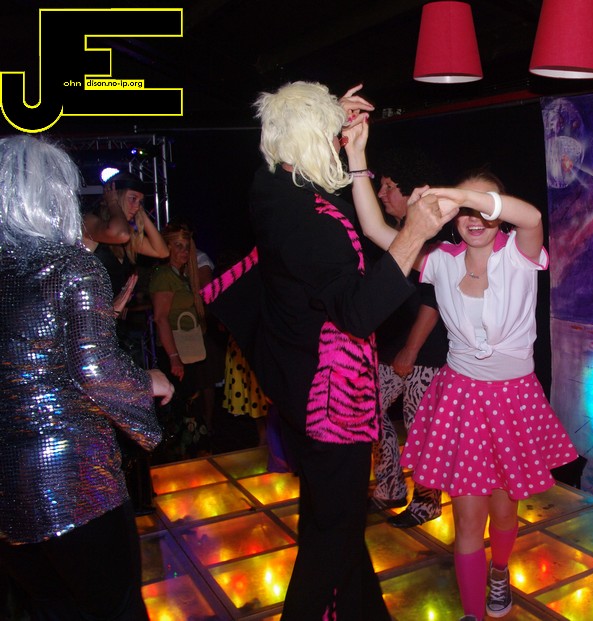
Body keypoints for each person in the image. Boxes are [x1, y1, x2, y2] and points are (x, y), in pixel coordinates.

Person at [203, 81, 455, 621]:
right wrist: (413, 233)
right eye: (327, 135)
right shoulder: (310, 221)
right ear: (310, 141)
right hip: (330, 402)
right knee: (331, 536)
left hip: (298, 385)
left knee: (335, 522)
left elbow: (294, 152)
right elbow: (360, 313)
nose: (335, 144)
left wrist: (328, 119)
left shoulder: (272, 186)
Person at [353, 168, 578, 621]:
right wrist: (358, 163)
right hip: (463, 401)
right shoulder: (441, 260)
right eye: (465, 210)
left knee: (505, 513)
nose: (474, 218)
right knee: (468, 521)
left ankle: (500, 572)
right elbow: (375, 229)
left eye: (483, 207)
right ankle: (473, 613)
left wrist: (461, 196)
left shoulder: (520, 252)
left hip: (513, 401)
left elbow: (532, 216)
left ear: (499, 211)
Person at [0, 135, 173, 619]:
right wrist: (150, 381)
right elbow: (96, 371)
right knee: (115, 609)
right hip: (77, 484)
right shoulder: (71, 265)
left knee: (49, 608)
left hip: (8, 493)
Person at [367, 158, 449, 529]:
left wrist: (411, 350)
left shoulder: (436, 237)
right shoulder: (395, 236)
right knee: (368, 412)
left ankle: (427, 501)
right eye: (381, 186)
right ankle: (390, 487)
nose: (382, 194)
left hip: (425, 351)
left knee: (421, 427)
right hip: (391, 348)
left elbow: (435, 300)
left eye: (389, 187)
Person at [149, 222, 213, 459]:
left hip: (189, 349)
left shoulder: (183, 276)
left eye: (186, 246)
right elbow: (160, 318)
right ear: (167, 247)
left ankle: (192, 458)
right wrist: (174, 358)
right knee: (182, 409)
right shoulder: (164, 276)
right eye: (178, 246)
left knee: (190, 405)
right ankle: (181, 460)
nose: (184, 251)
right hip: (175, 351)